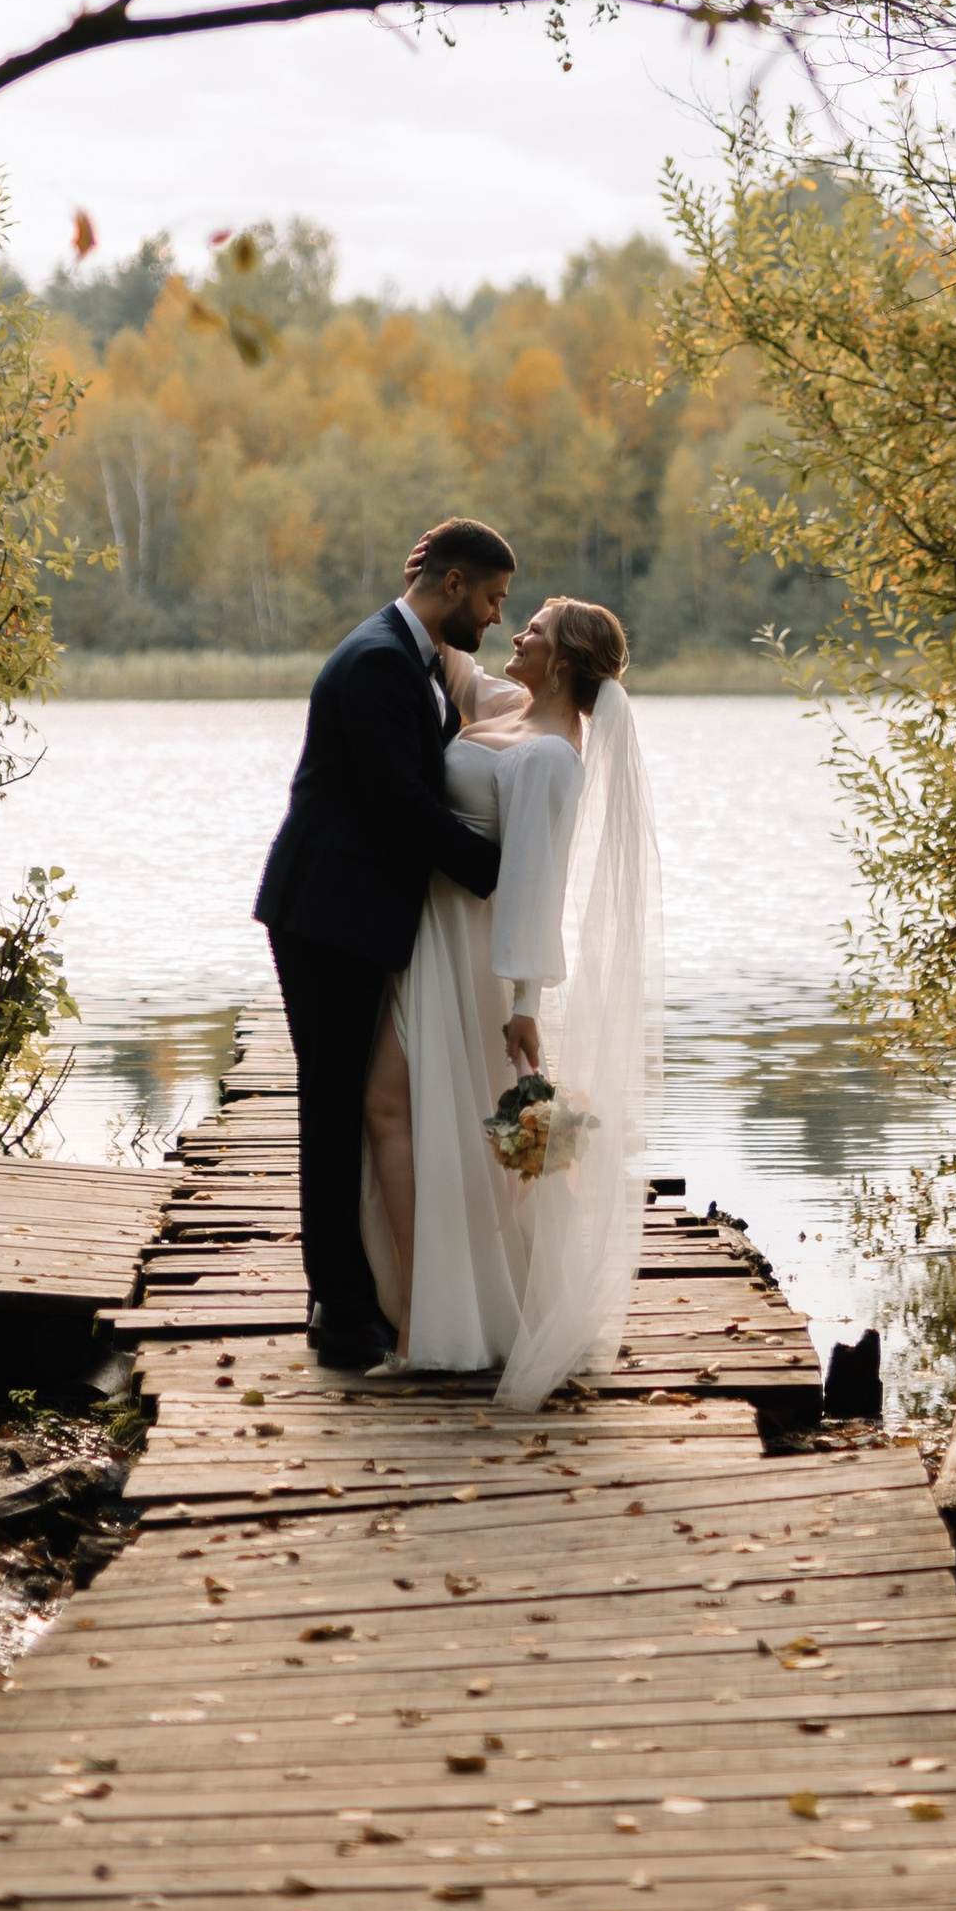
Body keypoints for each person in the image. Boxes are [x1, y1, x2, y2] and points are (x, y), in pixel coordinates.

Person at [359, 585, 661, 1410]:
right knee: (413, 1115)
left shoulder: (551, 756)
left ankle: (435, 1318)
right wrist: (431, 580)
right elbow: (450, 655)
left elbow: (539, 882)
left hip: (477, 957)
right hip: (433, 938)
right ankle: (433, 1307)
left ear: (560, 660)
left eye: (529, 629)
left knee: (404, 1107)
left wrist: (524, 1000)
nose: (511, 632)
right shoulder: (509, 706)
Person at [253, 520, 517, 1372]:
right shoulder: (376, 662)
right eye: (490, 598)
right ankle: (341, 1310)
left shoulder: (415, 656)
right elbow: (403, 805)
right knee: (331, 1107)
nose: (496, 618)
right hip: (329, 915)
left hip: (354, 912)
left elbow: (485, 725)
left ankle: (356, 1292)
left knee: (345, 1101)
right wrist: (502, 870)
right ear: (451, 586)